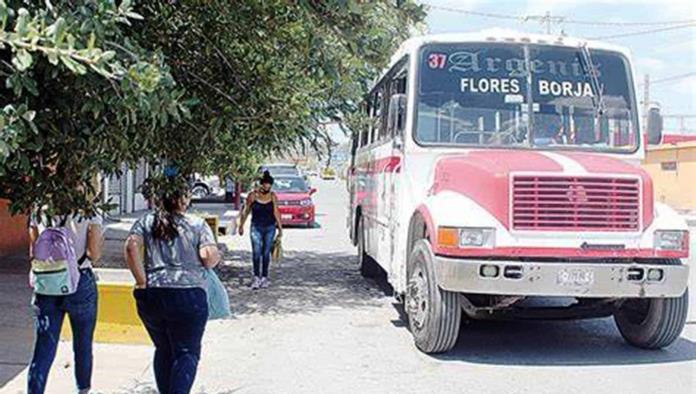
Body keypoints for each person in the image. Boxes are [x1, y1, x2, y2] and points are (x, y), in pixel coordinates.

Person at [124, 185, 220, 394]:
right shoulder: (197, 224)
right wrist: (215, 253)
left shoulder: (146, 222)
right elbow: (208, 257)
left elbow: (131, 247)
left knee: (164, 349)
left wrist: (142, 281)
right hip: (189, 296)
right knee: (186, 353)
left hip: (153, 295)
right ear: (183, 199)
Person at [27, 212, 104, 394]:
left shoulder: (39, 208)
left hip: (47, 283)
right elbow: (93, 254)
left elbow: (33, 252)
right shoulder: (89, 211)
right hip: (80, 280)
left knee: (44, 346)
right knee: (83, 344)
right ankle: (82, 390)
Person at [238, 170, 283, 290]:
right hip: (256, 227)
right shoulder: (253, 195)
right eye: (266, 184)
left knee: (266, 253)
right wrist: (241, 225)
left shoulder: (273, 196)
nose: (267, 186)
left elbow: (276, 212)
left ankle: (265, 277)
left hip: (270, 227)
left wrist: (280, 228)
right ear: (261, 184)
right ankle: (256, 277)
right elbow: (246, 211)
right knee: (256, 252)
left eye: (269, 184)